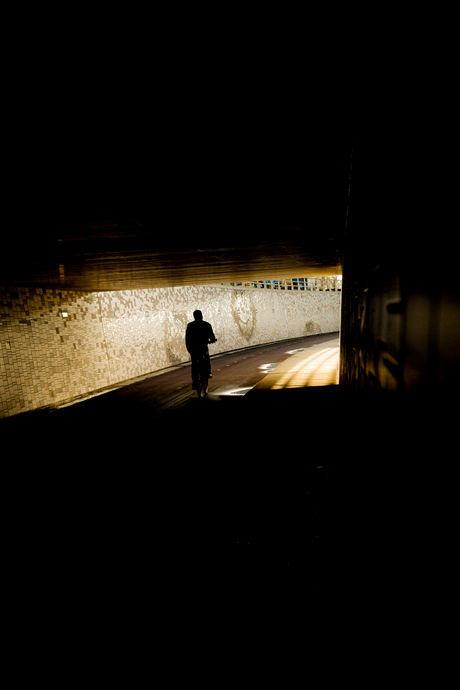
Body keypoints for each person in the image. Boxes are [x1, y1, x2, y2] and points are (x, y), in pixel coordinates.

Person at [185, 310, 217, 389]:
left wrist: (189, 348)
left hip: (193, 349)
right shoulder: (206, 325)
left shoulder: (190, 325)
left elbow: (187, 338)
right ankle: (208, 373)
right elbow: (211, 336)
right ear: (201, 316)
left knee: (194, 365)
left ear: (194, 316)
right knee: (206, 361)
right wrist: (212, 340)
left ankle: (195, 382)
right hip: (203, 347)